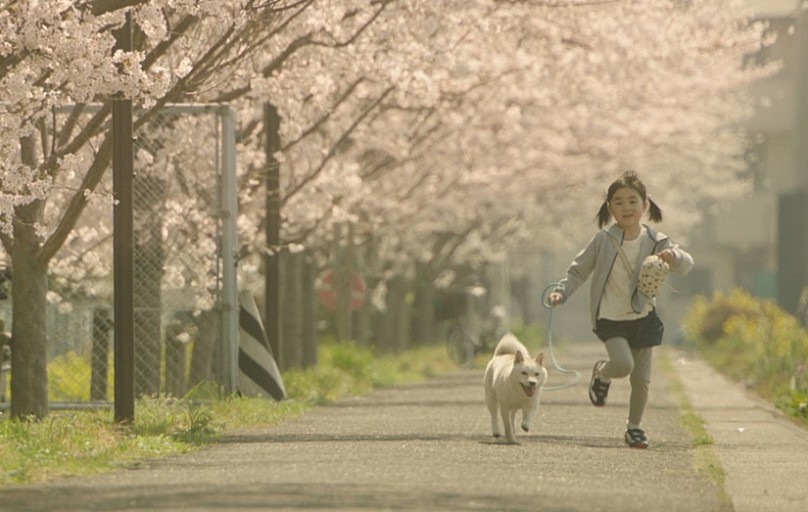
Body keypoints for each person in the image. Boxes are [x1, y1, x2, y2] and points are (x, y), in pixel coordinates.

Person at [547, 170, 694, 449]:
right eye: (618, 202)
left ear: (645, 204)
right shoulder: (603, 240)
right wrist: (561, 293)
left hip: (643, 316)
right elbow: (578, 272)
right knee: (623, 365)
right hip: (610, 317)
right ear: (610, 208)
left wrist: (673, 255)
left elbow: (686, 264)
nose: (626, 207)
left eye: (632, 201)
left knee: (642, 380)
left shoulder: (656, 240)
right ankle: (602, 373)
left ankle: (634, 427)